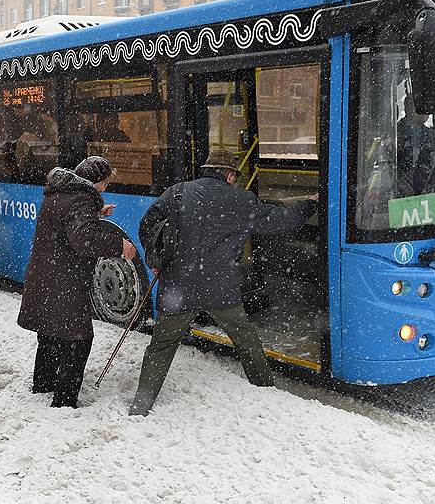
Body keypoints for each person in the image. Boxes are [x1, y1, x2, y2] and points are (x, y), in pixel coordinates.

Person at [129, 149, 318, 416]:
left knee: (161, 346)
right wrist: (309, 203)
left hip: (179, 287)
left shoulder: (178, 192)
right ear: (229, 175)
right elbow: (281, 221)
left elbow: (148, 223)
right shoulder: (241, 201)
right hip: (219, 287)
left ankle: (141, 405)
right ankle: (265, 390)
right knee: (245, 339)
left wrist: (155, 258)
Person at [17, 156, 137, 408]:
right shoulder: (80, 199)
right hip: (64, 280)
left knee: (49, 333)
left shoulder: (62, 193)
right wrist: (118, 244)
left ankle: (43, 384)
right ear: (95, 182)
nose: (105, 188)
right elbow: (84, 240)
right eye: (105, 183)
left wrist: (94, 213)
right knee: (78, 340)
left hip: (46, 275)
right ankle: (64, 401)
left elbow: (68, 222)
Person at [396, 93, 435, 196]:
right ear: (407, 107)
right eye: (422, 106)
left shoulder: (431, 134)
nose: (426, 111)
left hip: (429, 191)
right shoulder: (396, 132)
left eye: (428, 108)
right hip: (401, 193)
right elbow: (390, 166)